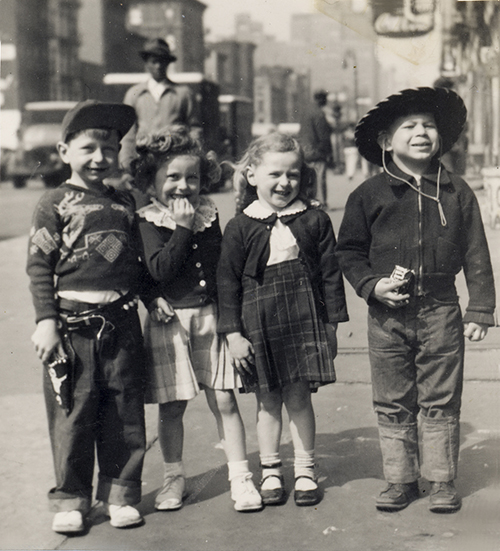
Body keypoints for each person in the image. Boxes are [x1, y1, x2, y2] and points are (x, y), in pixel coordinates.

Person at [335, 87, 496, 513]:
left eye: (429, 126)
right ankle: (400, 479)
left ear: (440, 137)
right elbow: (348, 251)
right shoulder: (368, 195)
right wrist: (371, 285)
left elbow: (477, 251)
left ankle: (440, 480)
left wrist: (480, 308)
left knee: (441, 395)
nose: (421, 132)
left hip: (441, 309)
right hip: (386, 314)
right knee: (392, 396)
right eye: (409, 126)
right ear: (387, 141)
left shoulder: (457, 191)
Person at [27, 100, 156, 534]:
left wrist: (151, 297)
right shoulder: (54, 203)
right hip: (71, 327)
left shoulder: (125, 203)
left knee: (124, 411)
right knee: (73, 413)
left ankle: (119, 494)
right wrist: (46, 320)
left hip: (121, 323)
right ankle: (71, 498)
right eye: (87, 148)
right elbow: (39, 265)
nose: (99, 158)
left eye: (109, 148)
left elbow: (137, 263)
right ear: (65, 151)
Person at [133, 126, 262, 513]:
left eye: (192, 177)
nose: (183, 185)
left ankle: (240, 476)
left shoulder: (209, 212)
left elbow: (222, 268)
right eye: (171, 177)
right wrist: (181, 229)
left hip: (210, 319)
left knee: (224, 400)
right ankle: (174, 477)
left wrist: (231, 323)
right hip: (170, 325)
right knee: (172, 407)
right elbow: (156, 269)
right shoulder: (146, 219)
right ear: (151, 182)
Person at [217, 132, 349, 507]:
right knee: (267, 400)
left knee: (299, 396)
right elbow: (227, 283)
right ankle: (271, 470)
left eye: (292, 174)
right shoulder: (240, 226)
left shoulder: (314, 219)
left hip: (303, 315)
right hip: (258, 319)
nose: (284, 182)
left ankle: (306, 470)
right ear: (252, 175)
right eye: (275, 174)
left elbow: (330, 276)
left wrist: (331, 326)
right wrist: (233, 334)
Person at [120, 38, 201, 175]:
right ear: (146, 63)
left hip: (175, 160)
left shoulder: (183, 94)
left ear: (168, 63)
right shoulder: (134, 94)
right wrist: (126, 162)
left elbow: (194, 129)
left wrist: (194, 158)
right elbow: (128, 132)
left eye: (162, 61)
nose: (158, 66)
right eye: (154, 61)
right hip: (143, 161)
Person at [298, 90, 333, 208]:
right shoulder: (319, 113)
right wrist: (327, 152)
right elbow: (323, 136)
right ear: (322, 99)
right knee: (319, 178)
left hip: (304, 150)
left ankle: (308, 200)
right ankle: (320, 202)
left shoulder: (306, 112)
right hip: (316, 151)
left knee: (308, 178)